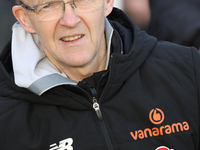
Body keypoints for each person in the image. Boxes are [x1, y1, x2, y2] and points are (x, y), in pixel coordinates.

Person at [0, 0, 200, 149]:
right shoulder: (6, 120)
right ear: (24, 18)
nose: (70, 20)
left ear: (107, 2)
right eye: (48, 5)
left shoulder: (189, 70)